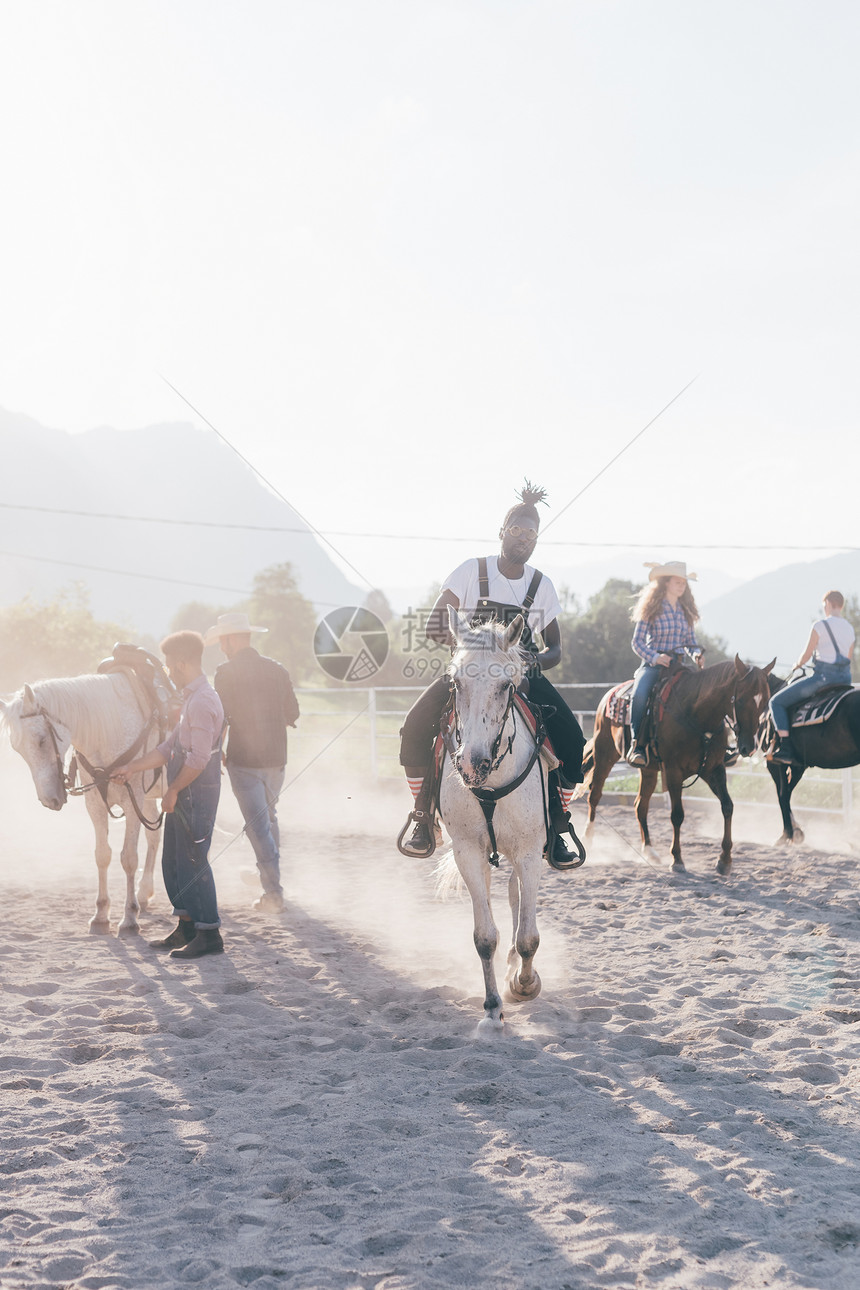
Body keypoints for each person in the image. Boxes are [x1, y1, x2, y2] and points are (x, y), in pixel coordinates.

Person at [398, 483, 586, 869]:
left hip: (521, 677)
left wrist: (530, 662)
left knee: (572, 740)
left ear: (536, 540)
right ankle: (422, 816)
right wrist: (476, 650)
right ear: (502, 531)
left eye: (531, 534)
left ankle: (559, 825)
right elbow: (436, 627)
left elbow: (556, 649)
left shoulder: (541, 586)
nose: (523, 539)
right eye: (516, 530)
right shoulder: (471, 571)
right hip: (468, 674)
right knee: (413, 728)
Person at [113, 630, 226, 960]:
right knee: (173, 860)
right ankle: (188, 924)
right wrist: (132, 767)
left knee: (193, 861)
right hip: (186, 790)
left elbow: (199, 759)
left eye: (170, 666)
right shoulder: (192, 698)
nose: (169, 672)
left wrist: (173, 789)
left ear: (183, 663)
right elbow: (168, 748)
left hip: (196, 791)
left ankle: (209, 933)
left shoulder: (203, 701)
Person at [206, 611, 300, 914]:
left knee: (257, 826)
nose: (221, 647)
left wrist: (216, 747)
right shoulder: (277, 670)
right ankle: (269, 882)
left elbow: (220, 716)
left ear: (232, 639)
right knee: (269, 818)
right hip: (276, 759)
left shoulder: (225, 672)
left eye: (223, 641)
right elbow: (293, 713)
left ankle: (273, 892)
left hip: (244, 760)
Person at [628, 561, 704, 768]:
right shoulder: (652, 608)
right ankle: (637, 745)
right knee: (640, 693)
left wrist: (696, 654)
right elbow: (637, 642)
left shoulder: (685, 611)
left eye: (684, 583)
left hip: (679, 665)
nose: (682, 586)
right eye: (678, 582)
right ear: (666, 583)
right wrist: (655, 657)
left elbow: (690, 642)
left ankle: (706, 743)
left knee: (703, 694)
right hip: (654, 665)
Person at [769, 590, 855, 764]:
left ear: (829, 604)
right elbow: (849, 657)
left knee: (775, 702)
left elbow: (807, 654)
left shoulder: (820, 625)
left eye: (824, 605)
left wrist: (797, 665)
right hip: (845, 680)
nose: (824, 609)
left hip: (823, 678)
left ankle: (785, 747)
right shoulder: (850, 628)